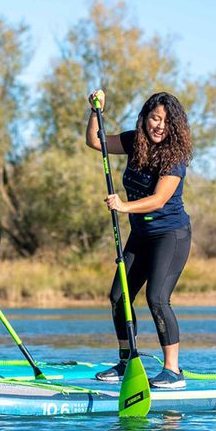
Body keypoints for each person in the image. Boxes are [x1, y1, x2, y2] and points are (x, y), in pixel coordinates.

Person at [86, 90, 193, 390]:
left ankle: (173, 371)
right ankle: (127, 361)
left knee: (157, 298)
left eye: (166, 121)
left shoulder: (176, 158)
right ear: (145, 119)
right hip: (141, 235)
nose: (159, 125)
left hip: (170, 235)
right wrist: (96, 111)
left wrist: (123, 206)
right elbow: (96, 141)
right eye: (155, 118)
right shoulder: (135, 141)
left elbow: (158, 200)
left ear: (175, 127)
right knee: (119, 296)